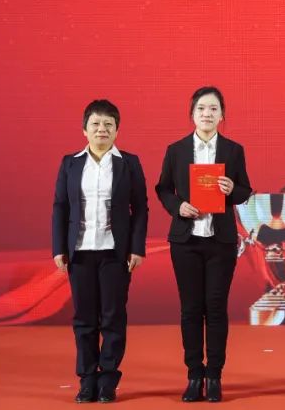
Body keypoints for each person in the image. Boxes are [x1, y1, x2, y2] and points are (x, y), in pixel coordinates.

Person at [155, 86, 253, 402]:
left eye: (213, 109)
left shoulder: (233, 150)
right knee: (191, 308)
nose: (207, 114)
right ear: (192, 114)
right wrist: (178, 206)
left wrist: (232, 188)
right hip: (186, 240)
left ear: (222, 115)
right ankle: (194, 374)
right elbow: (163, 188)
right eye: (201, 108)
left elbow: (245, 191)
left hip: (220, 241)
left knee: (215, 307)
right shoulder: (177, 150)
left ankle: (214, 375)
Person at [52, 99, 149, 404]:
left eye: (108, 124)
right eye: (95, 124)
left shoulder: (129, 163)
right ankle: (86, 379)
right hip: (79, 252)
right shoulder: (70, 163)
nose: (101, 129)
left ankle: (107, 379)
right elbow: (60, 207)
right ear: (84, 130)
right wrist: (59, 248)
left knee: (113, 317)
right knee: (84, 318)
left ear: (117, 130)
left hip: (115, 253)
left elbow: (140, 209)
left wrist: (137, 248)